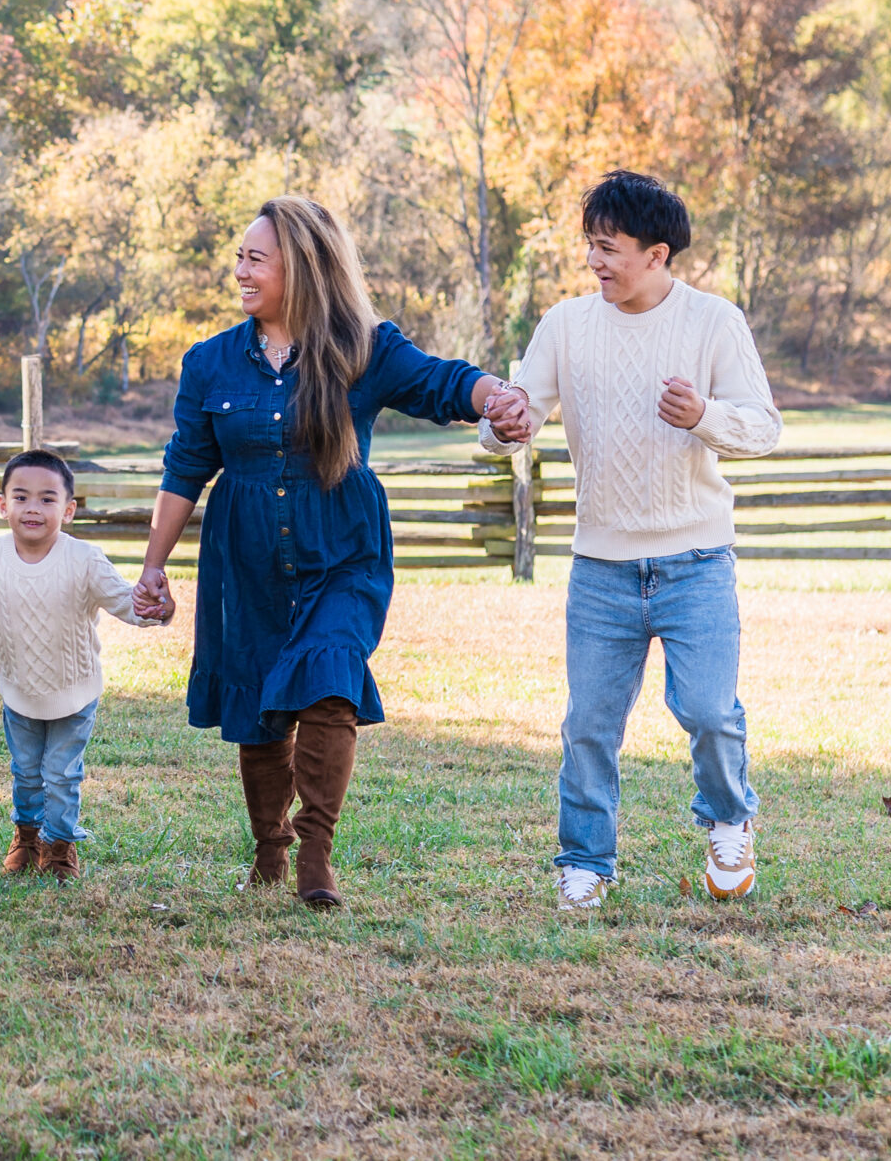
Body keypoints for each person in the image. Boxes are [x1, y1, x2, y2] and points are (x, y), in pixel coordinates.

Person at [133, 196, 531, 908]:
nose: (240, 271)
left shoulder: (363, 347)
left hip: (342, 549)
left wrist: (495, 395)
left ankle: (316, 852)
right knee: (259, 699)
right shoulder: (210, 362)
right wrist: (153, 566)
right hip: (246, 556)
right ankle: (270, 849)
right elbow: (185, 467)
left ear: (302, 266)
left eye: (256, 259)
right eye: (239, 258)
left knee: (332, 677)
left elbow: (438, 382)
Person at [479, 170, 780, 910]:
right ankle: (585, 863)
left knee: (709, 711)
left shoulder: (714, 322)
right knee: (588, 725)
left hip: (696, 561)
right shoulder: (565, 325)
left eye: (609, 248)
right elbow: (513, 420)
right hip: (601, 567)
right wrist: (503, 424)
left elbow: (762, 428)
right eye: (590, 245)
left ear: (657, 253)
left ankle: (729, 819)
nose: (595, 261)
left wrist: (704, 416)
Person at [0, 448, 172, 881]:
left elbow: (126, 604)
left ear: (69, 509)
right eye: (21, 497)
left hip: (75, 693)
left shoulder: (85, 559)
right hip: (19, 692)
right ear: (3, 505)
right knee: (25, 773)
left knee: (61, 774)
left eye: (47, 498)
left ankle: (59, 846)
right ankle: (27, 836)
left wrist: (156, 608)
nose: (33, 508)